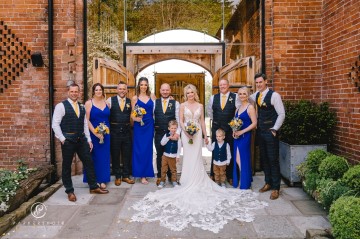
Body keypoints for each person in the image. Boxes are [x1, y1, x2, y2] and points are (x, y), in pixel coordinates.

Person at [131, 84, 267, 233]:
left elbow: (202, 121)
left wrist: (205, 135)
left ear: (195, 93)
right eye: (187, 92)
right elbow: (181, 121)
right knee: (187, 158)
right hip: (186, 134)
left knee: (197, 157)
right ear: (185, 94)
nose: (190, 94)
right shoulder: (182, 105)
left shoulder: (201, 105)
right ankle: (186, 180)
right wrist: (185, 132)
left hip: (196, 136)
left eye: (192, 92)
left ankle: (198, 178)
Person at [52, 83, 109, 202]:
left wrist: (88, 139)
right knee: (67, 166)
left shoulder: (82, 106)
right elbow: (55, 124)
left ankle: (93, 187)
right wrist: (62, 139)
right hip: (68, 140)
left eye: (76, 91)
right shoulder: (61, 106)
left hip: (82, 140)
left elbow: (84, 124)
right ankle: (70, 191)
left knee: (89, 162)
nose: (74, 93)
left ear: (79, 92)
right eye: (72, 91)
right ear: (68, 92)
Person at [250, 73, 285, 200]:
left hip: (271, 132)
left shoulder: (274, 96)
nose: (258, 84)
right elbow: (244, 99)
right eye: (257, 83)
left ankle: (276, 188)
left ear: (266, 81)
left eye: (260, 82)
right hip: (261, 132)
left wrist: (275, 129)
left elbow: (281, 114)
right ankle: (268, 182)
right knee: (264, 159)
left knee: (273, 160)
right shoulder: (256, 95)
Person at [207, 78, 239, 185]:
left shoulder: (235, 97)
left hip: (229, 129)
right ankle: (213, 174)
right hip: (217, 128)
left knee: (229, 151)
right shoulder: (213, 98)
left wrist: (234, 126)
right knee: (215, 150)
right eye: (220, 85)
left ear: (228, 85)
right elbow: (210, 112)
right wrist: (217, 121)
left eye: (224, 84)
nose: (222, 86)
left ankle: (229, 176)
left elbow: (237, 112)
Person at [106, 81, 135, 186]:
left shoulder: (129, 101)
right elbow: (104, 112)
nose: (122, 91)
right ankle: (117, 176)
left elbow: (133, 114)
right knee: (115, 154)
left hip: (127, 131)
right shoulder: (110, 100)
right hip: (114, 131)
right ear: (117, 90)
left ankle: (126, 176)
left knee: (127, 154)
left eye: (124, 89)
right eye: (120, 89)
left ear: (126, 90)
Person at [83, 83, 110, 189]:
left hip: (106, 134)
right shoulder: (89, 103)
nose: (98, 92)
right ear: (93, 91)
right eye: (96, 90)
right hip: (94, 134)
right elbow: (86, 120)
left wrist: (103, 133)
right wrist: (95, 133)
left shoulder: (107, 103)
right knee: (94, 157)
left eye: (100, 90)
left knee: (104, 157)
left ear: (102, 91)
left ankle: (103, 179)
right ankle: (94, 180)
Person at [154, 83, 180, 186]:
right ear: (160, 90)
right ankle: (160, 177)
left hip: (172, 133)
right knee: (160, 155)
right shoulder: (155, 102)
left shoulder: (176, 103)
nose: (165, 92)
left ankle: (171, 177)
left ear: (170, 90)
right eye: (163, 90)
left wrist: (177, 133)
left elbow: (178, 119)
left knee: (171, 155)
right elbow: (152, 117)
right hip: (159, 133)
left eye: (167, 90)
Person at [131, 77, 156, 185]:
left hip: (149, 125)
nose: (143, 87)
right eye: (141, 84)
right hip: (139, 126)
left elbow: (156, 110)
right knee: (138, 149)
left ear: (148, 86)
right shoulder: (135, 98)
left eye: (145, 84)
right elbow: (132, 114)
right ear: (138, 86)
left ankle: (145, 174)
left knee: (147, 149)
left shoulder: (152, 96)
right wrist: (135, 118)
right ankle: (139, 173)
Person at [232, 87, 257, 189]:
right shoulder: (237, 108)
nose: (242, 96)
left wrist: (242, 131)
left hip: (245, 136)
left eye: (244, 94)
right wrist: (234, 131)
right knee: (237, 158)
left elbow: (254, 123)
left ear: (248, 95)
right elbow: (234, 123)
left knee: (242, 158)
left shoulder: (250, 107)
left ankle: (244, 182)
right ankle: (242, 179)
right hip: (237, 137)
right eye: (240, 94)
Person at [158, 120, 182, 188]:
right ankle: (162, 181)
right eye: (172, 128)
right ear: (169, 128)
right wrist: (168, 138)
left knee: (173, 170)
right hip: (165, 156)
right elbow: (162, 143)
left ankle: (174, 181)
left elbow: (179, 148)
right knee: (163, 169)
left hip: (173, 157)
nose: (173, 130)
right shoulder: (166, 135)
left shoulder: (178, 137)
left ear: (177, 128)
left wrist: (177, 156)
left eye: (175, 128)